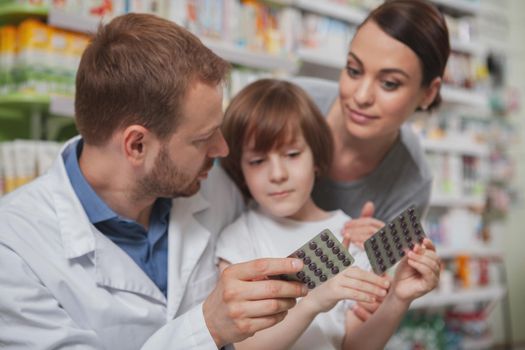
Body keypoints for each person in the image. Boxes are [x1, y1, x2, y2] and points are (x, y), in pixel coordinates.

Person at [0, 14, 309, 349]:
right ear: (137, 145)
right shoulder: (14, 251)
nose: (222, 149)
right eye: (202, 138)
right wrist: (208, 328)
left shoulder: (214, 186)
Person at [216, 79, 441, 349]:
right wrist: (312, 303)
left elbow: (354, 346)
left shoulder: (348, 234)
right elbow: (245, 346)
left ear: (316, 155)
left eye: (292, 154)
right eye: (257, 161)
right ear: (240, 169)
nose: (277, 174)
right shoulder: (238, 238)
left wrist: (399, 299)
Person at [291, 0, 450, 323]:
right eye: (353, 70)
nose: (361, 95)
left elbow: (358, 308)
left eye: (389, 83)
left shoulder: (412, 182)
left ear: (428, 93)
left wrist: (379, 272)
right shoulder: (289, 106)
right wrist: (337, 241)